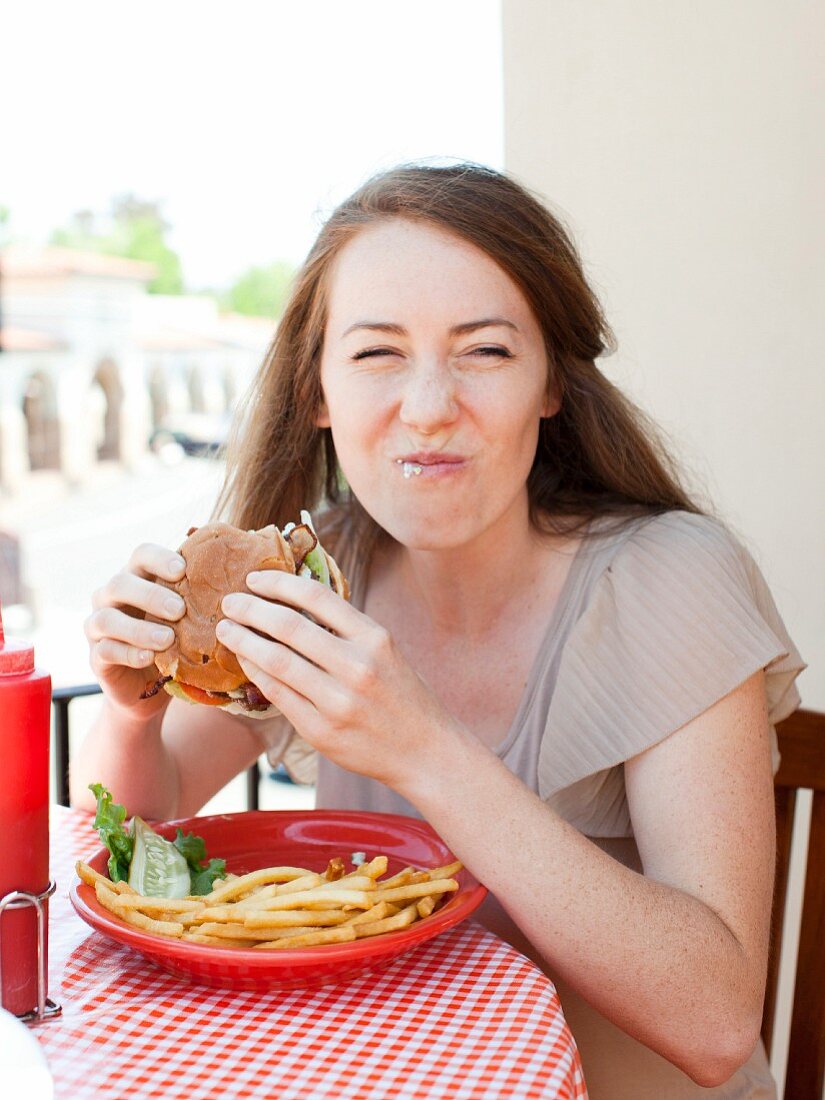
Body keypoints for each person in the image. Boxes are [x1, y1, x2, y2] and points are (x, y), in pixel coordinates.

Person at [74, 163, 805, 1099]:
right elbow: (141, 838)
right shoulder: (314, 569)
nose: (428, 407)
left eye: (486, 352)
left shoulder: (669, 577)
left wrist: (420, 746)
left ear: (552, 383)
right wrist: (131, 713)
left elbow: (712, 1023)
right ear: (318, 395)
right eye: (377, 353)